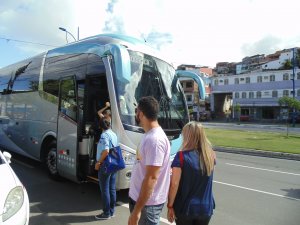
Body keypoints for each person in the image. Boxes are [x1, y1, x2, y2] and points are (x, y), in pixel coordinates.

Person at [128, 96, 170, 225]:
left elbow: (151, 178)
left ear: (140, 113)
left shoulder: (155, 140)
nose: (135, 114)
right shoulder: (149, 135)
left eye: (136, 111)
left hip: (147, 205)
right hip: (141, 201)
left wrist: (136, 211)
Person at [167, 121, 216, 225]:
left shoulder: (181, 156)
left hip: (186, 208)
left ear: (187, 136)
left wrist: (170, 205)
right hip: (206, 207)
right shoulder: (210, 155)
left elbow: (174, 184)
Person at [94, 118, 118, 220]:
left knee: (105, 190)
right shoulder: (113, 134)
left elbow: (106, 151)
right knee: (112, 189)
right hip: (114, 164)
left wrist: (98, 162)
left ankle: (106, 213)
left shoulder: (104, 135)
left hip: (105, 164)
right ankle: (112, 211)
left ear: (100, 126)